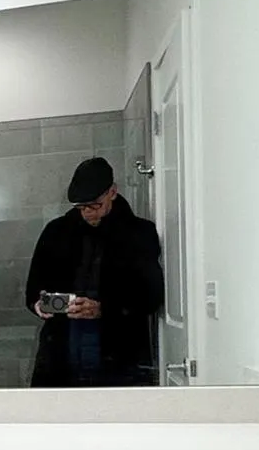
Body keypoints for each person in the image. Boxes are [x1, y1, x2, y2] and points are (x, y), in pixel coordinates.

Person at [23, 156, 165, 387]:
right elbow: (33, 288)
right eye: (81, 207)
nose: (87, 212)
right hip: (61, 353)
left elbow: (152, 295)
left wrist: (103, 308)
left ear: (112, 192)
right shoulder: (56, 232)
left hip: (119, 355)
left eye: (94, 205)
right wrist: (39, 304)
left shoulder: (139, 233)